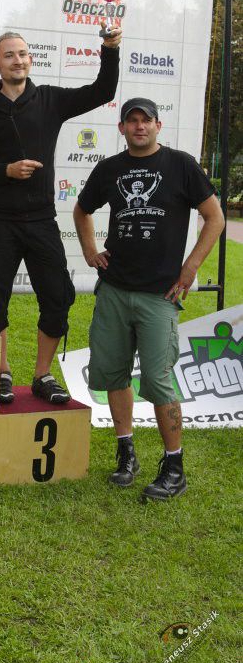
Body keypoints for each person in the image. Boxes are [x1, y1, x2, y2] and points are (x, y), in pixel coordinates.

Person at [73, 98, 224, 501]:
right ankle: (127, 454)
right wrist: (90, 251)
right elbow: (82, 210)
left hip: (160, 294)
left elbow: (215, 217)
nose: (139, 126)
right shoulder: (109, 169)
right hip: (114, 290)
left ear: (158, 125)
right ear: (122, 128)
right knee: (113, 375)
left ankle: (174, 467)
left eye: (146, 120)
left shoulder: (181, 165)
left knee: (158, 381)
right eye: (132, 121)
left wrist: (190, 267)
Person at [0, 26, 121, 405]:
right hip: (0, 221)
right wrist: (7, 170)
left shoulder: (49, 99)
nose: (17, 60)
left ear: (30, 59)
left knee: (58, 297)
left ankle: (42, 375)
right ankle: (1, 373)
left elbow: (103, 91)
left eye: (23, 54)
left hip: (41, 221)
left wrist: (110, 48)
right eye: (9, 55)